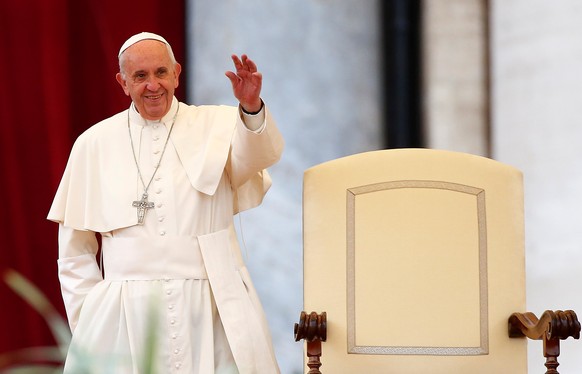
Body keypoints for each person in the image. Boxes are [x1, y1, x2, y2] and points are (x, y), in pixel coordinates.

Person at [48, 32, 283, 373]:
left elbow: (259, 157)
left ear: (176, 73)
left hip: (212, 306)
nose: (153, 85)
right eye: (140, 76)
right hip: (124, 317)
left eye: (160, 72)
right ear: (123, 82)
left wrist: (250, 109)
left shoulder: (216, 125)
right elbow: (74, 252)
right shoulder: (93, 144)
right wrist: (92, 320)